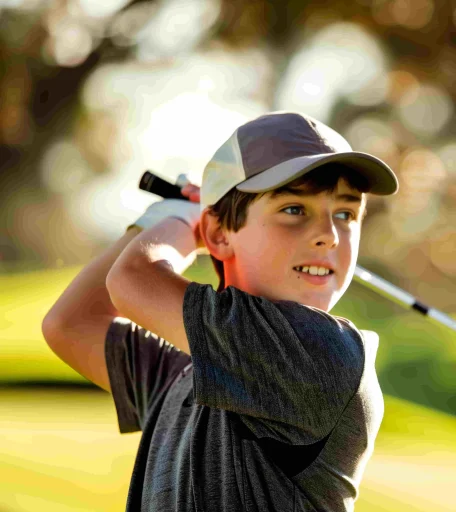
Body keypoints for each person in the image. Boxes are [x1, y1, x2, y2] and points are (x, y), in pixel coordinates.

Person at [41, 111, 399, 511]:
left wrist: (173, 219)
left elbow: (132, 280)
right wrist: (172, 223)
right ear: (218, 234)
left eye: (346, 214)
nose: (329, 235)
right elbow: (70, 324)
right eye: (295, 209)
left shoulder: (323, 351)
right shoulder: (185, 370)